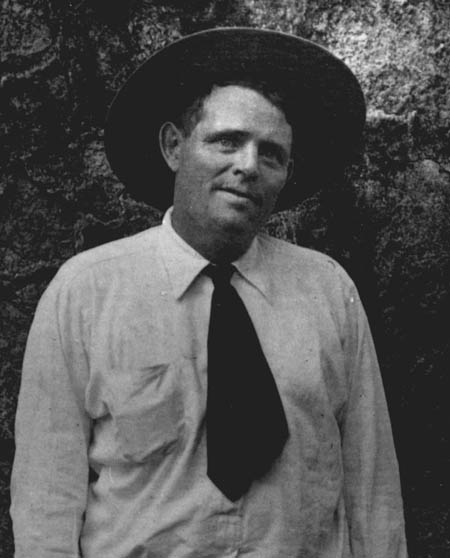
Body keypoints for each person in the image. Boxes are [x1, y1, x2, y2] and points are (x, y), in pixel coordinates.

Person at [10, 28, 407, 558]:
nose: (247, 165)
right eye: (227, 141)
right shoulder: (87, 291)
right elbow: (45, 501)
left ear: (286, 174)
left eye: (272, 154)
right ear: (174, 147)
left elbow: (372, 487)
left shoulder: (328, 292)